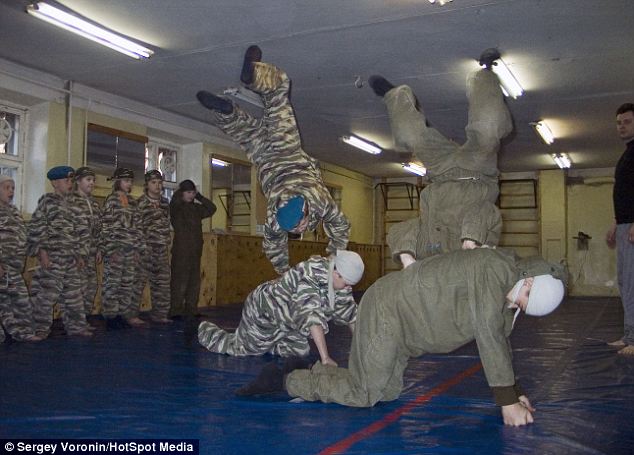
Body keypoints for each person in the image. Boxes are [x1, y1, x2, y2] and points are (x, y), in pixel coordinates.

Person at [239, 248, 565, 427]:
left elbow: (501, 342)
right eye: (521, 299)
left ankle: (316, 373)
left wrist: (516, 392)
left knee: (388, 391)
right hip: (387, 310)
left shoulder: (508, 293)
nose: (514, 305)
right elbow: (489, 336)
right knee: (364, 393)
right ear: (528, 280)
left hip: (406, 330)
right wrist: (507, 402)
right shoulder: (492, 269)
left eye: (520, 307)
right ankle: (287, 380)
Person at [196, 45, 350, 275]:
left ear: (305, 210)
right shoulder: (276, 218)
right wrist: (324, 262)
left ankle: (253, 78)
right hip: (265, 161)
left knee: (278, 95)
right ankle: (227, 112)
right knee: (248, 134)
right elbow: (274, 244)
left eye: (298, 226)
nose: (301, 229)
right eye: (298, 227)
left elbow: (339, 226)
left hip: (286, 151)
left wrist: (330, 260)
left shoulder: (319, 201)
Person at [369, 49, 512, 268]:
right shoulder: (482, 257)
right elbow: (488, 212)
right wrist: (472, 240)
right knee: (488, 131)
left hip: (440, 172)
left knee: (411, 138)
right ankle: (485, 72)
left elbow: (404, 229)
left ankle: (395, 96)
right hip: (478, 171)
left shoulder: (428, 250)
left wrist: (408, 261)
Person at [198, 250, 364, 366]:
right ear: (336, 273)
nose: (347, 288)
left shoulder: (340, 281)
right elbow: (312, 317)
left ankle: (269, 341)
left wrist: (361, 350)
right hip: (265, 310)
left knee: (299, 351)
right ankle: (205, 331)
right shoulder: (311, 274)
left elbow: (350, 314)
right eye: (346, 283)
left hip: (289, 320)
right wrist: (325, 358)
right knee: (244, 350)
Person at [28, 166, 93, 338]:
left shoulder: (74, 204)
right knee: (46, 296)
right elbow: (37, 227)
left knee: (74, 296)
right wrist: (42, 252)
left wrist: (80, 254)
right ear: (55, 183)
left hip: (70, 258)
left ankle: (76, 327)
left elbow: (80, 230)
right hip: (53, 258)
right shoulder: (47, 201)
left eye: (71, 180)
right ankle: (40, 328)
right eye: (67, 181)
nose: (70, 184)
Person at [606, 103, 634, 356]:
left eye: (626, 121)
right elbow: (625, 193)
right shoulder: (627, 153)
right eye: (619, 122)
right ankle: (629, 334)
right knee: (626, 282)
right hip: (625, 223)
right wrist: (617, 221)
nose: (621, 126)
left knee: (633, 282)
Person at [100, 167, 143, 329]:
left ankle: (123, 314)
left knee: (127, 284)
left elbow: (138, 226)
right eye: (126, 181)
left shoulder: (132, 202)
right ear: (118, 182)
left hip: (130, 249)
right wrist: (111, 250)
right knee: (113, 283)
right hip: (117, 249)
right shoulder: (112, 200)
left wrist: (138, 249)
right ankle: (111, 316)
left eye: (130, 181)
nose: (129, 184)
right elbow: (106, 226)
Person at [0, 174, 41, 342]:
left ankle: (23, 333)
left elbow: (24, 237)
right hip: (2, 265)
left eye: (13, 188)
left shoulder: (15, 212)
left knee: (21, 302)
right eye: (6, 188)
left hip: (14, 268)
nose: (11, 191)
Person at [169, 179, 216, 324]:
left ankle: (191, 309)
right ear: (182, 193)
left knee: (194, 282)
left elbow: (212, 208)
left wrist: (199, 197)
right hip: (181, 251)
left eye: (192, 193)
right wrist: (179, 194)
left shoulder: (196, 209)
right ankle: (176, 310)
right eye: (188, 192)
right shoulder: (176, 207)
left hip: (195, 251)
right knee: (179, 282)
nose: (190, 195)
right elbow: (174, 203)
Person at [132, 170, 172, 324]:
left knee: (162, 284)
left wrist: (166, 242)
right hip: (145, 249)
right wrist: (138, 248)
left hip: (161, 249)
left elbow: (166, 223)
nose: (157, 186)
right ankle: (132, 315)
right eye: (153, 183)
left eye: (160, 183)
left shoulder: (164, 203)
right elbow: (135, 228)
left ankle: (160, 314)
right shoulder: (140, 203)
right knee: (138, 283)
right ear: (147, 184)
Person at [70, 166, 102, 323]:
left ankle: (84, 321)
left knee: (91, 288)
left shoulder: (94, 204)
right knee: (78, 290)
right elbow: (68, 230)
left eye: (93, 180)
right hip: (78, 255)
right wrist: (75, 253)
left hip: (91, 253)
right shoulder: (71, 202)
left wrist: (98, 249)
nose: (92, 183)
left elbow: (97, 230)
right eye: (88, 180)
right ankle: (76, 324)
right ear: (78, 181)